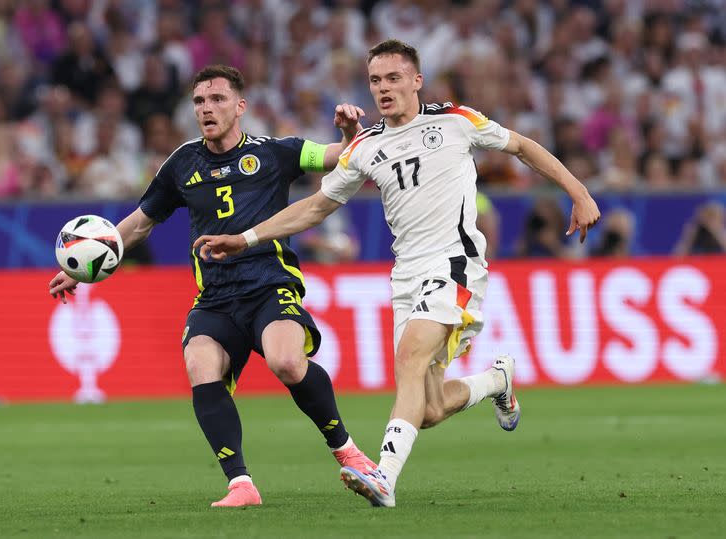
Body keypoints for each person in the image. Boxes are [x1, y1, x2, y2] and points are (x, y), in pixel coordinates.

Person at [194, 40, 601, 508]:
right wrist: (246, 238)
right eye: (375, 80)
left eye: (392, 78)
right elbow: (316, 206)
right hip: (405, 276)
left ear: (416, 81)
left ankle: (383, 477)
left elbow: (523, 148)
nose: (383, 89)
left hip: (455, 263)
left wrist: (579, 192)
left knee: (409, 359)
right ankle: (497, 381)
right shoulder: (366, 148)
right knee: (427, 408)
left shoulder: (456, 120)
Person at [49, 65, 376, 507]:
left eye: (218, 99)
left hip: (269, 285)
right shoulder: (182, 163)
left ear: (240, 107)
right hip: (216, 298)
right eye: (200, 101)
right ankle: (240, 484)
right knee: (200, 367)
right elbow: (141, 223)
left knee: (286, 363)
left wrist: (350, 131)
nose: (207, 108)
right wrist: (85, 265)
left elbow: (335, 156)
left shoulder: (275, 152)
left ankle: (347, 451)